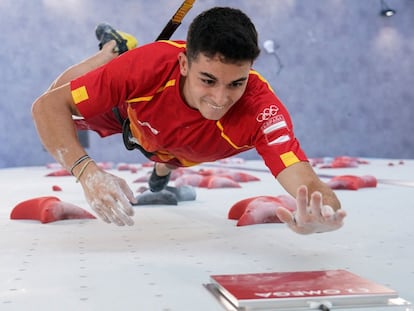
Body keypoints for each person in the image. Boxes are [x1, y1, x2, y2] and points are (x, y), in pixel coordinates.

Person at [32, 7, 346, 234]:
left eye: (236, 83)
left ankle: (161, 170)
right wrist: (87, 173)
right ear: (183, 63)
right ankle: (113, 48)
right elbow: (47, 107)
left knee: (169, 156)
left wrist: (320, 214)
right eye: (208, 80)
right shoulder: (148, 66)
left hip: (180, 150)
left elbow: (306, 182)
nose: (221, 99)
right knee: (63, 107)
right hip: (134, 116)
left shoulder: (262, 109)